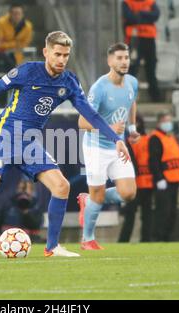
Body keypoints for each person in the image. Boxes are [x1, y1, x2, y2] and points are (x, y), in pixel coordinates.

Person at [0, 31, 131, 259]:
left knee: (61, 186)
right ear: (46, 52)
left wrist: (116, 139)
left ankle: (52, 247)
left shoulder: (69, 82)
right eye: (57, 54)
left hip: (29, 143)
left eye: (66, 55)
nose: (62, 59)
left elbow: (91, 115)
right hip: (5, 135)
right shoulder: (27, 71)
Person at [76, 43, 140, 250]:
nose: (124, 62)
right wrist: (109, 127)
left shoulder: (132, 83)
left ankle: (91, 199)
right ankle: (88, 239)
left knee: (129, 193)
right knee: (100, 194)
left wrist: (131, 128)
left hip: (118, 146)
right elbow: (82, 123)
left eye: (126, 57)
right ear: (110, 61)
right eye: (119, 58)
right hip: (96, 148)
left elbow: (132, 102)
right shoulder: (100, 88)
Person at [149, 112, 179, 241]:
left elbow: (178, 159)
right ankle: (158, 237)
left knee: (172, 212)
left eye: (170, 120)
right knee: (163, 211)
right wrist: (159, 178)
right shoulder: (155, 138)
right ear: (159, 122)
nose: (168, 123)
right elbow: (154, 161)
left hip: (175, 180)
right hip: (164, 181)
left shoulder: (171, 137)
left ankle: (166, 237)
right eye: (166, 120)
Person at [118, 114, 154, 242]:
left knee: (147, 215)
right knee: (130, 214)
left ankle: (146, 240)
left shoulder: (148, 139)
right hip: (133, 183)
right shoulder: (125, 141)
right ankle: (124, 240)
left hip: (147, 182)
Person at [122, 0, 160, 101]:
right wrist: (146, 17)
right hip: (134, 38)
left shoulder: (150, 2)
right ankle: (128, 97)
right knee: (133, 68)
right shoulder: (127, 2)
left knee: (151, 66)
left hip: (149, 38)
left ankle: (155, 97)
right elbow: (130, 18)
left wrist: (140, 14)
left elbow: (156, 15)